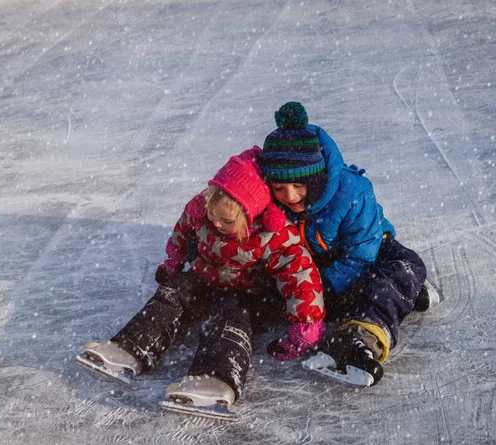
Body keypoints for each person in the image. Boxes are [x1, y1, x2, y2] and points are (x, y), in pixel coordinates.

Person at [76, 148, 326, 412]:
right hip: (205, 280)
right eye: (213, 215)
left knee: (231, 315)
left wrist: (306, 324)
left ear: (249, 216)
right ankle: (131, 349)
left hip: (251, 296)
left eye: (226, 221)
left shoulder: (272, 235)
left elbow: (301, 275)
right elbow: (182, 232)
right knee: (175, 290)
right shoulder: (201, 211)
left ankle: (216, 380)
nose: (216, 224)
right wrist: (173, 261)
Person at [260, 101, 443, 387]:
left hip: (369, 252)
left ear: (316, 177)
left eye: (299, 186)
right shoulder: (270, 202)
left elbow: (362, 256)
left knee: (402, 268)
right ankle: (403, 294)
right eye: (280, 188)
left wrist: (319, 288)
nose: (291, 196)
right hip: (314, 265)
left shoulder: (353, 192)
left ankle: (359, 339)